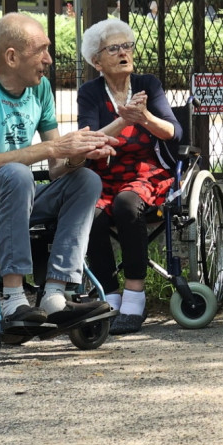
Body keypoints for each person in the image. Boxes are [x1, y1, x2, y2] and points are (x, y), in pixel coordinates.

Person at [0, 13, 117, 328]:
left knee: (85, 181)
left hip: (15, 196)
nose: (49, 59)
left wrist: (79, 154)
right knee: (16, 174)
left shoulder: (41, 89)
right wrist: (52, 149)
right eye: (41, 50)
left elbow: (58, 170)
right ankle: (14, 298)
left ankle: (55, 295)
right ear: (12, 56)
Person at [77, 19, 182, 335]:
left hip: (144, 172)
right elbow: (91, 138)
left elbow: (174, 132)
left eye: (127, 46)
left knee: (126, 204)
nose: (124, 53)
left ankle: (135, 295)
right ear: (97, 61)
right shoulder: (90, 93)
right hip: (105, 172)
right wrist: (123, 122)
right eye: (114, 48)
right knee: (90, 212)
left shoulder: (148, 84)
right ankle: (109, 294)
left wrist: (145, 117)